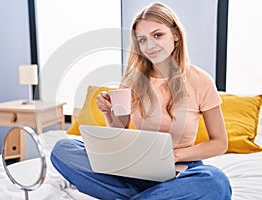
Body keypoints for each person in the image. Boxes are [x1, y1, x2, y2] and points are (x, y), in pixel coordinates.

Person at [51, 2, 232, 199]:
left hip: (181, 170)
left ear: (176, 35)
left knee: (216, 181)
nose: (150, 45)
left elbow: (220, 143)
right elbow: (120, 129)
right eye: (142, 40)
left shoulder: (200, 80)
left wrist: (174, 156)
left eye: (157, 35)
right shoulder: (132, 79)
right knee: (62, 149)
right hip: (135, 165)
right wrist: (108, 113)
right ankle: (154, 196)